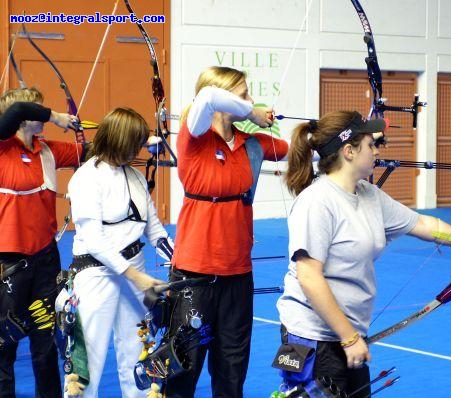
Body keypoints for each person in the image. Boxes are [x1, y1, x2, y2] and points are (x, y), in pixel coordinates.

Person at [274, 110, 451, 397]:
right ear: (349, 151)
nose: (377, 150)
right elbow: (308, 276)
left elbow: (424, 224)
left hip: (347, 335)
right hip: (314, 338)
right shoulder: (316, 202)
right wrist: (349, 337)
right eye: (371, 144)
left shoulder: (368, 194)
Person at [164, 65, 288, 398]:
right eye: (243, 93)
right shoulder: (196, 137)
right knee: (183, 369)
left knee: (232, 370)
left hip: (238, 275)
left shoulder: (251, 145)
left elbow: (299, 148)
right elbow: (206, 97)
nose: (250, 100)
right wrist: (253, 112)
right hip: (195, 274)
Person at [67, 107, 173, 397]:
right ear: (119, 141)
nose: (140, 148)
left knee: (140, 352)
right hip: (95, 275)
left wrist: (179, 263)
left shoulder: (136, 178)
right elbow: (94, 239)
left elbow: (155, 229)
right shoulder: (86, 178)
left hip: (134, 270)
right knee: (87, 359)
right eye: (135, 143)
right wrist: (136, 277)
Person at [0, 87, 81, 398]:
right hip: (9, 264)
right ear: (20, 118)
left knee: (46, 339)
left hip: (45, 261)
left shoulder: (46, 150)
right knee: (5, 342)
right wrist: (57, 116)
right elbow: (19, 109)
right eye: (38, 110)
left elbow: (92, 151)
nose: (43, 114)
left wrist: (140, 139)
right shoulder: (2, 146)